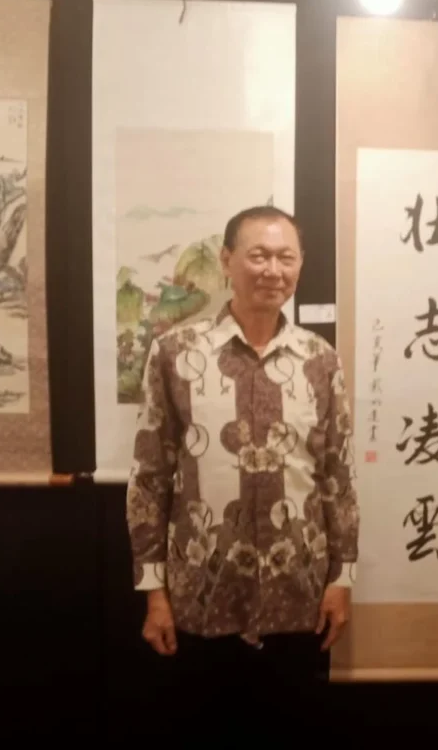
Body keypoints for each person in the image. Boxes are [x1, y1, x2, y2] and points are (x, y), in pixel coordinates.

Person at [125, 205, 359, 741]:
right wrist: (154, 591)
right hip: (201, 593)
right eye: (258, 256)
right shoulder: (175, 354)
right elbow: (149, 477)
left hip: (298, 593)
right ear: (227, 260)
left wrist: (341, 579)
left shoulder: (320, 360)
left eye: (286, 258)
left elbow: (338, 476)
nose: (273, 270)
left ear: (300, 265)